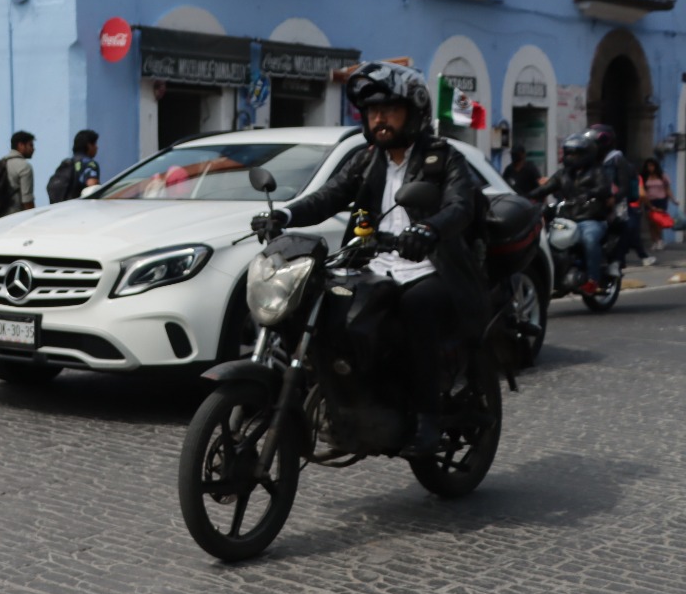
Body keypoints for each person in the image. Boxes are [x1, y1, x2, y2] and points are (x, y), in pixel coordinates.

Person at [252, 61, 487, 457]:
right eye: (373, 112)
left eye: (389, 110)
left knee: (416, 308)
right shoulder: (366, 158)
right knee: (324, 302)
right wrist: (285, 215)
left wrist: (429, 231)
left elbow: (460, 206)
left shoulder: (443, 157)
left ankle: (428, 420)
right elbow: (329, 195)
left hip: (429, 268)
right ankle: (340, 393)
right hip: (375, 265)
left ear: (413, 113)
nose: (379, 119)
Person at [529, 133, 616, 293]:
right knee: (546, 240)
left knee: (589, 239)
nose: (570, 157)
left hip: (590, 219)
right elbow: (545, 188)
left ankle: (593, 280)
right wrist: (525, 196)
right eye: (568, 153)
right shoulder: (563, 174)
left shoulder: (597, 171)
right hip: (566, 219)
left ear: (586, 154)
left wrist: (589, 194)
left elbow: (604, 188)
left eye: (574, 153)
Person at [587, 124, 647, 269]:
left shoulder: (617, 159)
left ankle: (617, 259)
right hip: (594, 201)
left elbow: (624, 187)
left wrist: (614, 198)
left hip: (614, 203)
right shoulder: (591, 160)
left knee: (622, 226)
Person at [0, 130, 37, 218]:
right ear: (20, 145)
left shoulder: (0, 163)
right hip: (16, 216)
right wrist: (34, 218)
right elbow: (27, 200)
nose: (33, 149)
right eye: (30, 145)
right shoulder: (24, 166)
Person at [641, 156, 675, 254]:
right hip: (649, 201)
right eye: (648, 166)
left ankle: (659, 240)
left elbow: (668, 189)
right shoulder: (645, 177)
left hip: (661, 200)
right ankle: (654, 241)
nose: (650, 168)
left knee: (657, 222)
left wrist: (673, 200)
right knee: (651, 222)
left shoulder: (662, 176)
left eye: (652, 166)